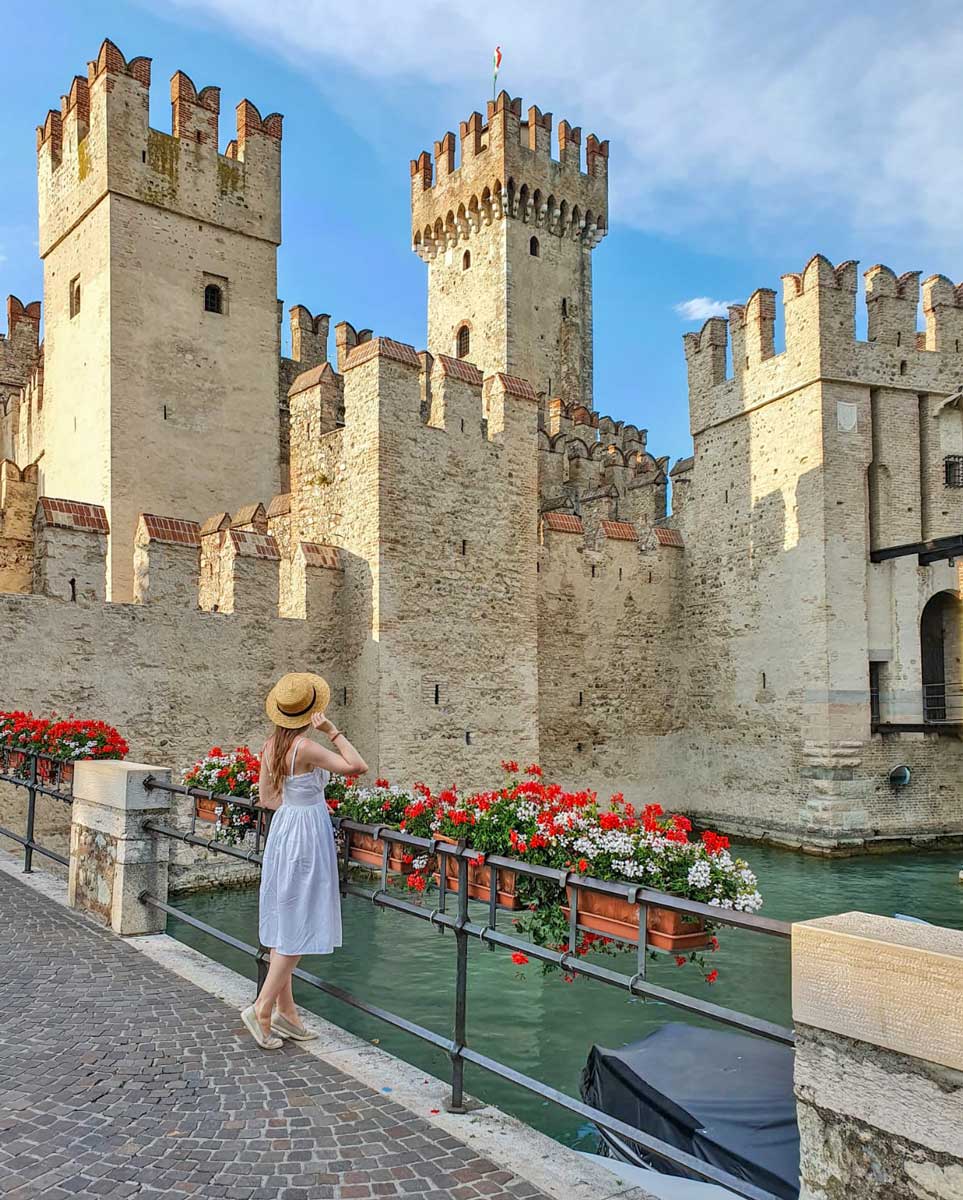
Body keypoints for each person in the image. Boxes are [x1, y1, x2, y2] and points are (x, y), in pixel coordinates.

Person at [241, 671, 368, 1050]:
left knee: (286, 918)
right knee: (299, 923)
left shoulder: (270, 747)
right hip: (307, 833)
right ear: (310, 712)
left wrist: (294, 811)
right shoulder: (306, 748)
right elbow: (356, 767)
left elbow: (266, 798)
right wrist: (332, 730)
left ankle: (288, 1013)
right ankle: (262, 1008)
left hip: (284, 830)